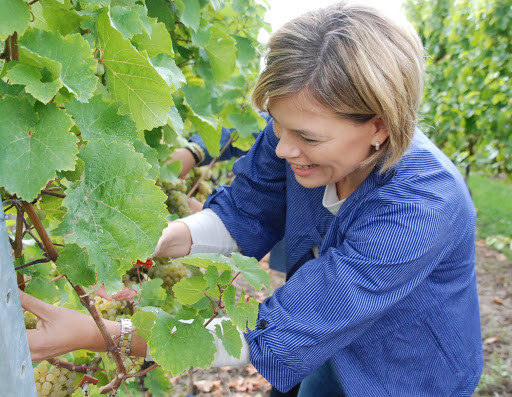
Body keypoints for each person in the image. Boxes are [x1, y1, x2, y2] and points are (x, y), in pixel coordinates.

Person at [20, 2, 484, 396]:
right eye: (277, 126)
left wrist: (100, 334)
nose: (283, 149)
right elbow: (244, 212)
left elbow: (277, 335)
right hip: (325, 350)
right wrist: (147, 241)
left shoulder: (421, 204)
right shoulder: (295, 131)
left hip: (407, 374)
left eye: (306, 137)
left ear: (380, 126)